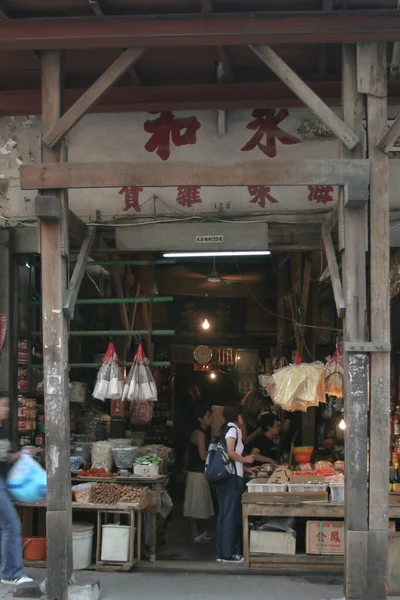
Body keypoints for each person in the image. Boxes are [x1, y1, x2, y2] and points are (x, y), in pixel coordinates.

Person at [0, 392, 33, 585]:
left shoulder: (3, 431)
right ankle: (11, 573)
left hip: (4, 482)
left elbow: (6, 458)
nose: (6, 410)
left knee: (8, 525)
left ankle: (9, 570)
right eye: (3, 406)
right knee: (12, 525)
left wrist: (21, 454)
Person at [216, 404, 255, 564]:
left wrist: (246, 468)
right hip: (232, 478)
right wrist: (246, 459)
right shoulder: (233, 430)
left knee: (225, 514)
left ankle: (222, 552)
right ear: (237, 416)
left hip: (229, 475)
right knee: (231, 515)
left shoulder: (226, 428)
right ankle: (229, 553)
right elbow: (231, 453)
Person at [184, 405, 214, 543]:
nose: (211, 418)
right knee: (195, 505)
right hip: (197, 472)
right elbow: (203, 456)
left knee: (198, 503)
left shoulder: (201, 432)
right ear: (200, 419)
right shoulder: (200, 434)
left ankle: (199, 532)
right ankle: (195, 534)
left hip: (197, 472)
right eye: (208, 416)